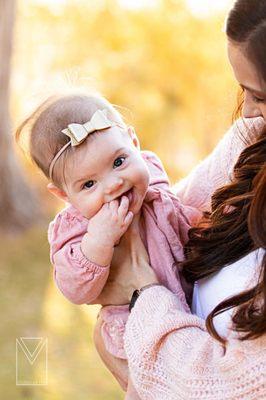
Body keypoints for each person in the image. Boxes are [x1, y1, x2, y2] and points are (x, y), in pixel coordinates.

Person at [93, 0, 266, 398]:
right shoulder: (251, 144)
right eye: (243, 92)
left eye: (261, 95)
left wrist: (143, 295)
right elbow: (163, 218)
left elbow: (228, 389)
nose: (250, 113)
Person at [15, 93, 201, 399]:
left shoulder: (150, 179)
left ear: (135, 144)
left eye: (119, 161)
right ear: (64, 196)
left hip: (190, 308)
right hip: (135, 333)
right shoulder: (75, 229)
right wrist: (98, 241)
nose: (114, 184)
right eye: (88, 185)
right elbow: (74, 287)